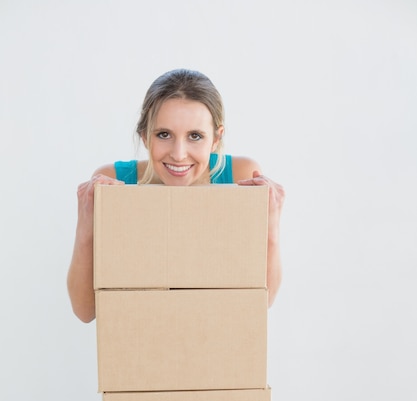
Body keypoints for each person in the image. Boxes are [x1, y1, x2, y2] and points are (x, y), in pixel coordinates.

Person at [67, 69, 285, 322]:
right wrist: (86, 225)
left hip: (217, 345)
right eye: (164, 135)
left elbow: (262, 302)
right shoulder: (116, 182)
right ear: (145, 137)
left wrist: (271, 228)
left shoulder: (239, 176)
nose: (179, 154)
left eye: (195, 136)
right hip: (138, 344)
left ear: (216, 139)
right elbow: (85, 311)